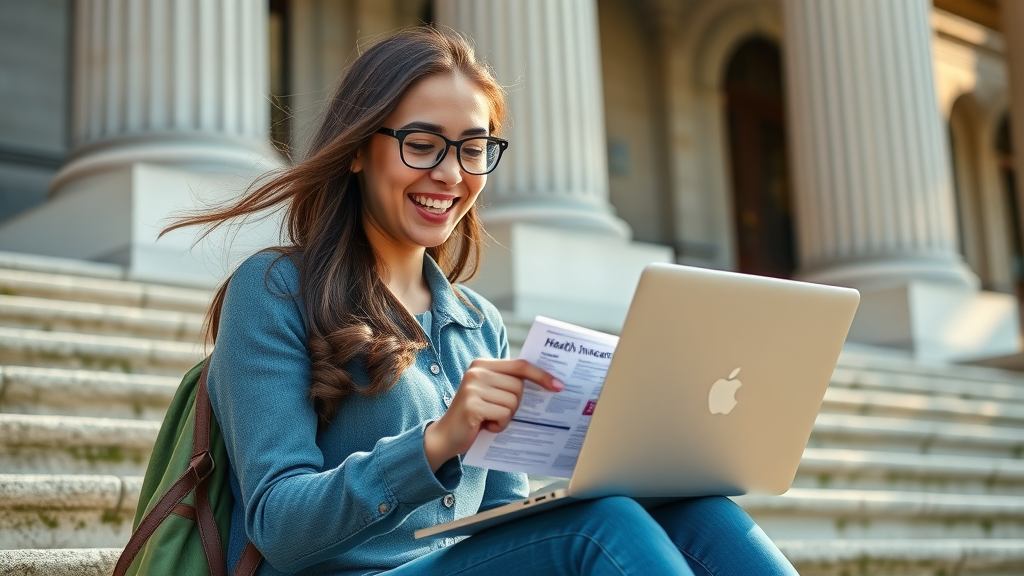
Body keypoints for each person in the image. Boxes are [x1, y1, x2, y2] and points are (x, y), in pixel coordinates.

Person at [166, 26, 799, 576]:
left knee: (691, 506)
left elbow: (499, 522)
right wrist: (438, 442)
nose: (451, 173)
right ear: (358, 149)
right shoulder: (276, 289)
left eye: (473, 148)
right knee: (600, 526)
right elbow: (279, 524)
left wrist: (595, 472)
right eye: (422, 143)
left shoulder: (477, 323)